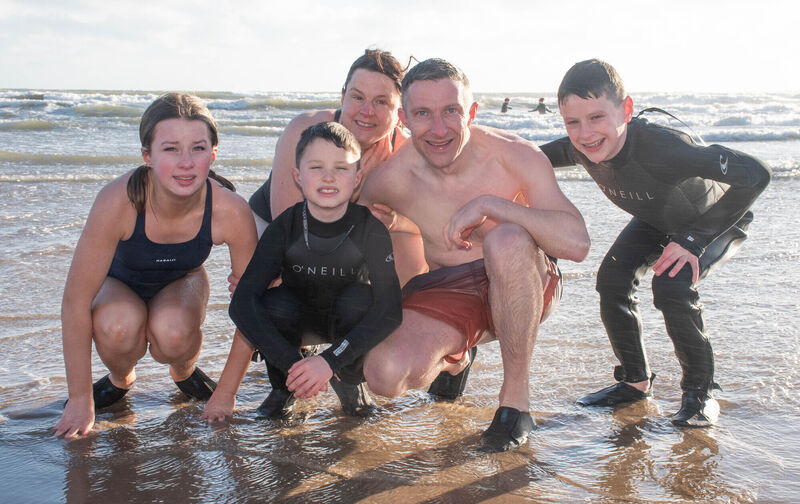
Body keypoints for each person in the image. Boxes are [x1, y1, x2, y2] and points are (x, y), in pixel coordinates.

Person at [358, 58, 590, 452]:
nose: (439, 128)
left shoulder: (515, 155)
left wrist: (493, 206)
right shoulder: (390, 180)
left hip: (528, 279)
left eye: (451, 111)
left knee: (506, 240)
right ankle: (457, 357)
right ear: (404, 119)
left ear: (473, 112)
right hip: (452, 292)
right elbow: (339, 232)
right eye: (423, 114)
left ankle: (515, 403)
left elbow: (577, 244)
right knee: (383, 374)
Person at [540, 59, 771, 427]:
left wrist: (693, 241)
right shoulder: (579, 146)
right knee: (612, 280)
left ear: (626, 110)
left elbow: (757, 173)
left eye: (597, 117)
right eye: (572, 122)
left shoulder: (664, 147)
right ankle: (634, 382)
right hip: (657, 218)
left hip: (715, 220)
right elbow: (525, 156)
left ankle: (700, 394)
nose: (585, 134)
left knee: (671, 284)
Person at [54, 93, 258, 438]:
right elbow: (75, 302)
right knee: (119, 327)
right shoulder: (117, 201)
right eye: (170, 149)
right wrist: (80, 397)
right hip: (118, 284)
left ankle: (184, 370)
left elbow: (254, 307)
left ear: (213, 153)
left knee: (174, 331)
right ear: (147, 155)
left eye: (197, 148)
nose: (186, 163)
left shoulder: (230, 211)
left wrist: (227, 392)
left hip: (183, 281)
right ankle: (121, 379)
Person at [202, 122, 402, 422]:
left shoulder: (370, 229)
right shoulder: (286, 225)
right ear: (298, 176)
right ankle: (285, 386)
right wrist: (293, 364)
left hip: (345, 322)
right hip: (297, 319)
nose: (328, 177)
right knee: (273, 304)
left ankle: (349, 383)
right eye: (316, 167)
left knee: (361, 301)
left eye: (342, 168)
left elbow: (390, 309)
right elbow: (242, 303)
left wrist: (329, 361)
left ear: (357, 177)